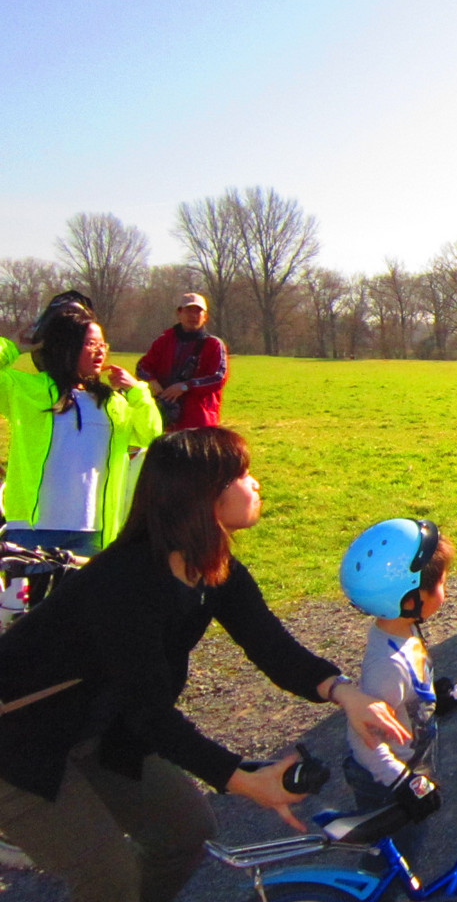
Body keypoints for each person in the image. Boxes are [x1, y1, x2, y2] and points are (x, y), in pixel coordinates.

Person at [0, 427, 410, 902]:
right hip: (20, 744)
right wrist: (243, 778)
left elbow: (272, 648)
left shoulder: (213, 567)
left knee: (185, 831)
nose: (256, 484)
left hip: (104, 730)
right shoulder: (124, 583)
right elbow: (149, 712)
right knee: (108, 878)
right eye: (243, 475)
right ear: (205, 496)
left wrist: (345, 692)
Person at [1, 295, 163, 556]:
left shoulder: (113, 404)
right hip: (30, 530)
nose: (100, 351)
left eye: (103, 344)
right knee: (29, 600)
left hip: (92, 534)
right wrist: (15, 347)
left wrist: (137, 393)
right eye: (90, 343)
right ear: (66, 347)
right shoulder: (28, 391)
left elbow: (151, 436)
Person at [340, 518, 455, 866]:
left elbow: (408, 692)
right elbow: (364, 740)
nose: (445, 590)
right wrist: (404, 783)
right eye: (441, 583)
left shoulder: (402, 634)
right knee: (391, 863)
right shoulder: (387, 666)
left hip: (406, 765)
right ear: (413, 598)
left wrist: (435, 698)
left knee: (407, 850)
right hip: (386, 783)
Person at [136, 292, 228, 431]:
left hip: (199, 422)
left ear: (205, 317)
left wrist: (185, 386)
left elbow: (218, 378)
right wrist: (151, 381)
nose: (193, 316)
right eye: (188, 311)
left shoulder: (214, 345)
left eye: (198, 312)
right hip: (166, 420)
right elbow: (142, 368)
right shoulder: (163, 341)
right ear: (179, 314)